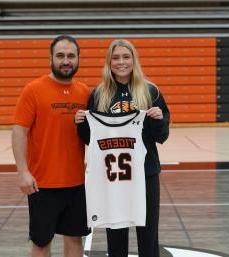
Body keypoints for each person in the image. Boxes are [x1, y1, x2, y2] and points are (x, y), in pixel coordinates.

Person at [75, 39, 170, 257]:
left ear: (134, 60)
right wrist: (80, 124)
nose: (121, 62)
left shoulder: (150, 91)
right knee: (115, 234)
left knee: (148, 235)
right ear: (109, 62)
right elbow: (91, 139)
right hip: (113, 177)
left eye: (126, 57)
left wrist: (157, 120)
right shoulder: (99, 94)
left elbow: (162, 136)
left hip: (145, 173)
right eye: (115, 58)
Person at [12, 35, 90, 257]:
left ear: (78, 59)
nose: (66, 61)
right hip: (42, 184)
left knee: (75, 238)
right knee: (41, 242)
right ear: (51, 58)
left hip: (77, 183)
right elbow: (19, 131)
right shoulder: (34, 89)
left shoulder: (85, 92)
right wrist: (22, 172)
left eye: (71, 56)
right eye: (60, 56)